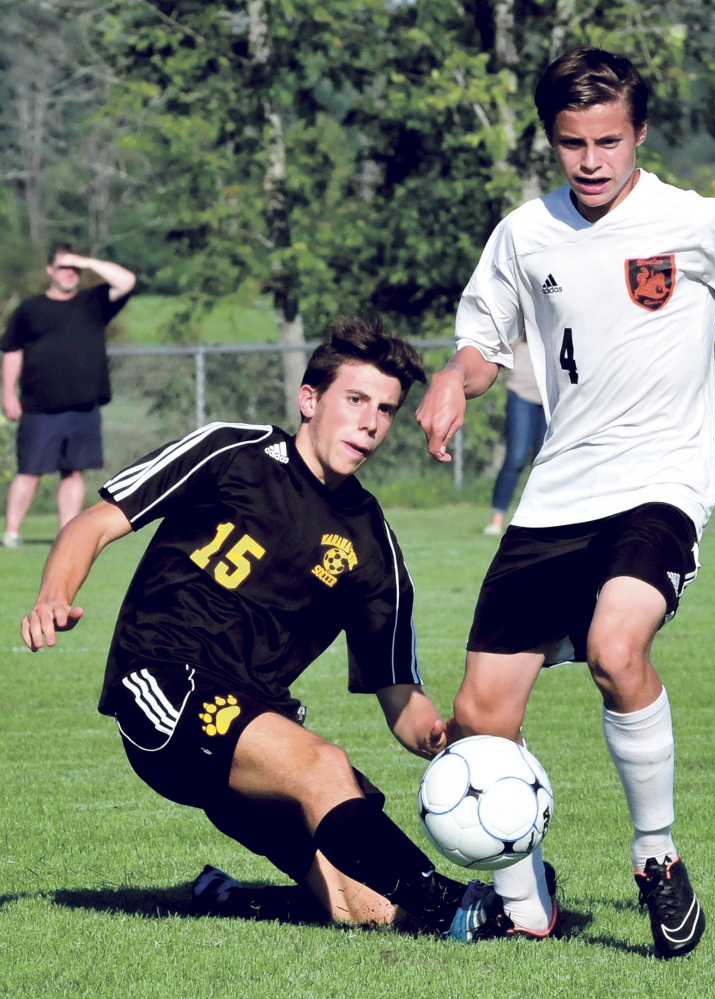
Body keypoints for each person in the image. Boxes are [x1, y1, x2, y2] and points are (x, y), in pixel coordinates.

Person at [416, 47, 715, 958]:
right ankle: (526, 903)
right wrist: (454, 377)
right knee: (480, 715)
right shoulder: (524, 233)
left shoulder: (696, 222)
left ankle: (656, 856)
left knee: (614, 645)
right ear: (550, 140)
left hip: (659, 485)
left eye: (608, 140)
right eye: (571, 143)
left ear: (639, 133)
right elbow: (483, 339)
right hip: (557, 492)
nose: (591, 160)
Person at [20, 317, 518, 943]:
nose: (370, 422)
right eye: (356, 400)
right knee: (323, 766)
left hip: (259, 719)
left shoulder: (371, 544)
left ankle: (225, 896)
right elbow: (93, 523)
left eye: (386, 410)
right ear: (309, 400)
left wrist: (453, 739)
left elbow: (401, 701)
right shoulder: (235, 451)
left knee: (364, 906)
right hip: (162, 680)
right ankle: (452, 903)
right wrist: (53, 597)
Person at [1, 243, 136, 548]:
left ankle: (66, 533)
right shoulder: (30, 309)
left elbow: (126, 281)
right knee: (29, 471)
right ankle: (11, 532)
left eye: (75, 268)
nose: (70, 273)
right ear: (50, 270)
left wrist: (84, 260)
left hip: (84, 407)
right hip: (39, 407)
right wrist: (8, 393)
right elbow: (12, 351)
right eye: (63, 266)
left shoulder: (94, 302)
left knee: (73, 473)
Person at [483, 335, 546, 536]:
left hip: (550, 397)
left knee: (544, 461)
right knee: (516, 457)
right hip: (520, 393)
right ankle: (497, 519)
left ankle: (541, 519)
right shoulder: (522, 326)